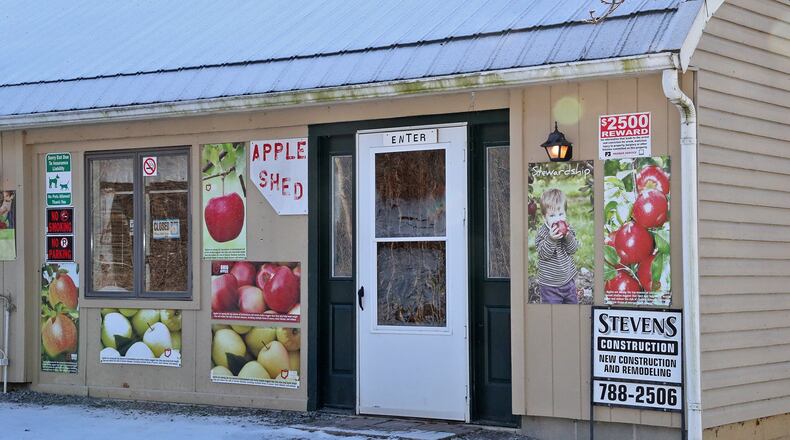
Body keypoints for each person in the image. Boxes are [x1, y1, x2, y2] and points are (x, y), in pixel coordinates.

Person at [535, 188, 579, 304]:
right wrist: (551, 239)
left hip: (568, 281)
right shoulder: (542, 233)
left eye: (561, 214)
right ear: (545, 218)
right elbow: (543, 254)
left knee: (572, 307)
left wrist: (568, 236)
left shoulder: (568, 230)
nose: (558, 219)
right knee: (552, 312)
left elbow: (573, 249)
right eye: (552, 216)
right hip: (550, 286)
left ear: (565, 213)